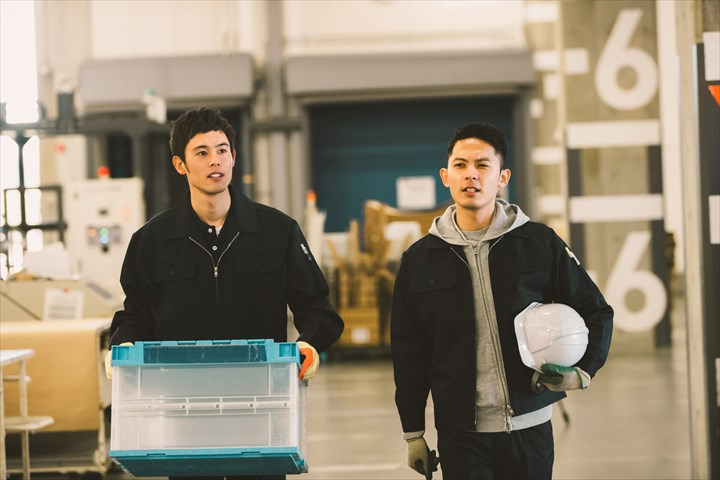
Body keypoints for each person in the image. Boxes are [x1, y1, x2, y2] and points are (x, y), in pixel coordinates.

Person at [105, 106, 344, 480]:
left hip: (262, 406)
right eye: (201, 152)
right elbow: (135, 312)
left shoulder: (277, 231)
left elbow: (318, 308)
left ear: (234, 156)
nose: (214, 160)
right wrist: (122, 346)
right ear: (180, 165)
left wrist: (310, 343)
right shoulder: (151, 242)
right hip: (184, 412)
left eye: (222, 150)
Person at [390, 122, 613, 479]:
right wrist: (413, 433)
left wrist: (583, 370)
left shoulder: (539, 243)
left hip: (530, 427)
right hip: (460, 433)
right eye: (461, 165)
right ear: (445, 176)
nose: (471, 176)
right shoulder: (420, 259)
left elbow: (596, 310)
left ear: (502, 176)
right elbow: (409, 352)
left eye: (482, 165)